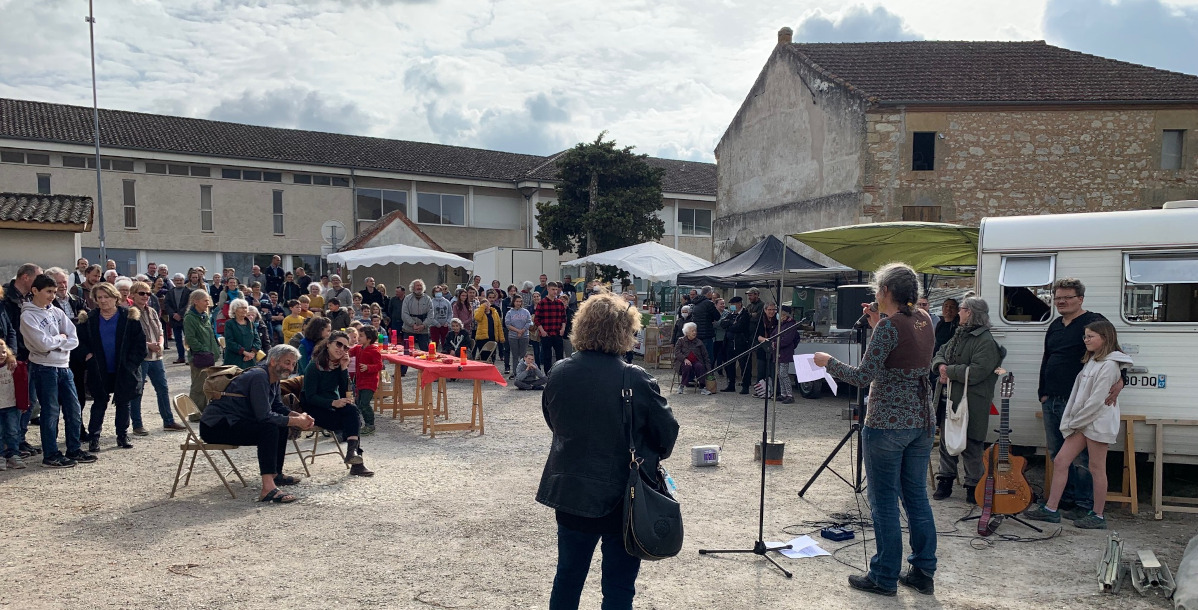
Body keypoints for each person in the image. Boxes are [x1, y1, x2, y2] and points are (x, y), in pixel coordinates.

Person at [537, 291, 679, 609]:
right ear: (624, 331)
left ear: (581, 327)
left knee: (568, 578)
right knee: (618, 586)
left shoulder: (559, 372)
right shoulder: (635, 377)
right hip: (623, 494)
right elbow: (666, 435)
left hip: (572, 490)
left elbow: (554, 421)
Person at [813, 262, 936, 597]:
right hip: (921, 419)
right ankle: (923, 571)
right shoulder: (924, 319)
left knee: (882, 500)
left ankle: (883, 575)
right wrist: (877, 324)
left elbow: (862, 376)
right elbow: (901, 352)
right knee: (916, 497)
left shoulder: (888, 328)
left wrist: (828, 362)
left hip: (887, 423)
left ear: (885, 292)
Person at [1025, 320, 1131, 529]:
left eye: (1091, 336)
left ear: (1105, 338)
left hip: (1097, 423)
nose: (1086, 340)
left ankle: (1098, 515)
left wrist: (1074, 422)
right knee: (1062, 460)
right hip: (1083, 422)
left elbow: (1097, 400)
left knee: (1096, 467)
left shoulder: (1110, 365)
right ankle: (1051, 509)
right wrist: (1075, 421)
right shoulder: (1092, 361)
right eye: (1085, 336)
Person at [1037, 278, 1122, 520]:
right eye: (1057, 298)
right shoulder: (1054, 325)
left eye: (1067, 297)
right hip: (1051, 398)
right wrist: (1042, 391)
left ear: (1080, 299)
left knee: (1084, 459)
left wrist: (1120, 380)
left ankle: (1085, 504)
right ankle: (1063, 499)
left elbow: (1115, 351)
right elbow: (1047, 357)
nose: (1061, 302)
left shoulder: (1094, 322)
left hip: (1079, 404)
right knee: (1057, 452)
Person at [200, 344, 315, 503]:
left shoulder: (273, 377)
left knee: (279, 425)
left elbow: (277, 406)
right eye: (287, 362)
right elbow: (264, 416)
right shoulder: (259, 376)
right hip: (216, 426)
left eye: (293, 364)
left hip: (235, 421)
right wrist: (296, 421)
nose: (291, 367)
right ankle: (268, 488)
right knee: (268, 428)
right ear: (273, 361)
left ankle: (275, 474)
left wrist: (301, 416)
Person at [930, 297, 1004, 502]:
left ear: (970, 313)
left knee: (972, 442)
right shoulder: (959, 333)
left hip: (973, 402)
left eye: (962, 309)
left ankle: (974, 485)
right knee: (947, 440)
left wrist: (949, 371)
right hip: (950, 399)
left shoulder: (986, 341)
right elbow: (941, 352)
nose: (958, 312)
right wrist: (940, 366)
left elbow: (978, 371)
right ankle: (946, 480)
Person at [21, 274, 95, 467]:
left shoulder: (57, 312)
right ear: (35, 291)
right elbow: (41, 343)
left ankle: (74, 448)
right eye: (48, 291)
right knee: (51, 411)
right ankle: (51, 453)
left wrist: (58, 341)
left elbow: (74, 338)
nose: (52, 296)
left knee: (73, 409)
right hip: (44, 368)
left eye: (54, 292)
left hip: (64, 366)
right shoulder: (28, 315)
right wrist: (61, 340)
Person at [79, 282, 147, 451]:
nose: (103, 301)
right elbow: (79, 342)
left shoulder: (128, 317)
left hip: (123, 369)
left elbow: (140, 346)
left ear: (116, 297)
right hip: (99, 370)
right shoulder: (89, 319)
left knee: (123, 402)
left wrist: (130, 364)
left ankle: (122, 436)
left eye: (106, 297)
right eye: (99, 297)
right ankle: (94, 437)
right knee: (99, 403)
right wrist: (88, 356)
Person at [301, 331, 374, 476]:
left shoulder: (338, 365)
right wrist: (333, 402)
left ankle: (353, 454)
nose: (341, 349)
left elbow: (344, 391)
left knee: (352, 411)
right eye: (338, 344)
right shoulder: (314, 367)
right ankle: (356, 462)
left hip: (334, 405)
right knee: (353, 420)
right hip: (315, 408)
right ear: (328, 344)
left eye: (346, 348)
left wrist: (344, 369)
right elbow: (310, 397)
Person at [129, 280, 186, 433]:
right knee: (137, 391)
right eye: (141, 293)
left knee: (163, 389)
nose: (145, 296)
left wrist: (160, 344)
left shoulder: (152, 311)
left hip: (157, 357)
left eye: (148, 293)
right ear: (133, 295)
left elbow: (160, 330)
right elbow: (130, 337)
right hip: (141, 358)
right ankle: (137, 424)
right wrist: (148, 344)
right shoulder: (129, 313)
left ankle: (168, 421)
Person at [183, 289, 220, 415]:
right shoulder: (189, 318)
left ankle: (204, 410)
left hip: (209, 356)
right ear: (196, 301)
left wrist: (215, 350)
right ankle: (194, 414)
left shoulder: (205, 316)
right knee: (198, 386)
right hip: (199, 357)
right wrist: (203, 350)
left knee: (208, 384)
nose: (208, 303)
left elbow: (211, 335)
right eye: (205, 300)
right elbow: (190, 339)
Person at [349, 326, 383, 436]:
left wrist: (368, 367)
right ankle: (361, 423)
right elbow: (350, 352)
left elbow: (379, 365)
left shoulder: (374, 350)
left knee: (364, 403)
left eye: (361, 336)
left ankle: (370, 425)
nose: (359, 337)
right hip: (360, 381)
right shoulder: (359, 348)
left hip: (370, 382)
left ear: (368, 339)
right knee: (359, 402)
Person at [719, 296, 752, 394]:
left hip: (741, 343)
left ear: (739, 304)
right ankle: (731, 384)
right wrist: (731, 323)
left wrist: (730, 325)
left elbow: (739, 327)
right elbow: (722, 324)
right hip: (729, 343)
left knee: (744, 365)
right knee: (729, 365)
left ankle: (745, 386)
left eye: (733, 304)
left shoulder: (745, 314)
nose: (732, 306)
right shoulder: (731, 314)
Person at [0, 338, 23, 469]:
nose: (1, 355)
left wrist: (23, 403)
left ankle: (13, 455)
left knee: (13, 431)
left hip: (11, 404)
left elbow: (22, 383)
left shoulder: (12, 366)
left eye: (3, 352)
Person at [535, 282, 567, 371]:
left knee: (560, 356)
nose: (555, 291)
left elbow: (564, 318)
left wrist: (563, 328)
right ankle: (548, 375)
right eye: (553, 289)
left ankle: (559, 373)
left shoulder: (560, 303)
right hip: (546, 333)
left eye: (556, 289)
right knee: (547, 357)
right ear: (548, 289)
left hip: (557, 333)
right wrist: (542, 331)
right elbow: (537, 319)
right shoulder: (542, 303)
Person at [223, 298, 261, 370]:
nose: (244, 310)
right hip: (234, 359)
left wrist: (252, 353)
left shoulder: (250, 323)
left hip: (250, 360)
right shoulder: (229, 324)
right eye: (241, 308)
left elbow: (257, 340)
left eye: (245, 308)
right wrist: (244, 352)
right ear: (235, 310)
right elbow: (230, 342)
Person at [674, 321, 710, 394]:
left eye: (695, 331)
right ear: (686, 333)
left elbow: (705, 355)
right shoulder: (681, 340)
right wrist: (684, 359)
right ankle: (682, 386)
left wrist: (708, 367)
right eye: (692, 331)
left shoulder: (699, 342)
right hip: (682, 362)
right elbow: (677, 352)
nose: (694, 333)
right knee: (687, 366)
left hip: (696, 361)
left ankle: (703, 387)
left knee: (700, 366)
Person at [774, 305, 800, 404]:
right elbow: (774, 334)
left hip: (785, 352)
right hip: (778, 352)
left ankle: (789, 395)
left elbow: (787, 339)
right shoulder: (781, 324)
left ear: (784, 314)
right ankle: (783, 393)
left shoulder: (790, 325)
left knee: (784, 374)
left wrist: (776, 343)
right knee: (779, 374)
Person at [473, 289, 506, 361]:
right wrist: (482, 307)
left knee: (492, 357)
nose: (486, 306)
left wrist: (501, 337)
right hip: (482, 338)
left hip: (493, 338)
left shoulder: (494, 312)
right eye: (485, 304)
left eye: (487, 304)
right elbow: (477, 318)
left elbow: (499, 326)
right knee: (484, 357)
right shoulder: (478, 311)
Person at [505, 293, 531, 378]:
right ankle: (515, 372)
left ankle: (523, 372)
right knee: (515, 355)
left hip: (524, 336)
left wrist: (522, 331)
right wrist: (518, 331)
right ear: (514, 302)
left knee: (523, 355)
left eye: (520, 301)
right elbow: (508, 324)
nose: (518, 303)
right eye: (517, 301)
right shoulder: (510, 312)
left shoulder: (526, 311)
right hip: (513, 336)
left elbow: (529, 322)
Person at [401, 279, 432, 350]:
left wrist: (423, 325)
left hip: (423, 330)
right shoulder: (407, 299)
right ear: (413, 287)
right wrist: (413, 324)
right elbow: (404, 314)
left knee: (425, 351)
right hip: (409, 329)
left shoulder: (428, 299)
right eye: (417, 285)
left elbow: (431, 314)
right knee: (407, 351)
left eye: (420, 285)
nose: (419, 287)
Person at [755, 302, 779, 388]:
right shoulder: (760, 320)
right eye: (769, 309)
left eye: (774, 310)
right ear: (765, 310)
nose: (772, 312)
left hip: (773, 348)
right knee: (761, 370)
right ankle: (760, 390)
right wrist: (765, 339)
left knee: (772, 371)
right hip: (762, 347)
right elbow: (757, 335)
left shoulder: (777, 321)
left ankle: (772, 390)